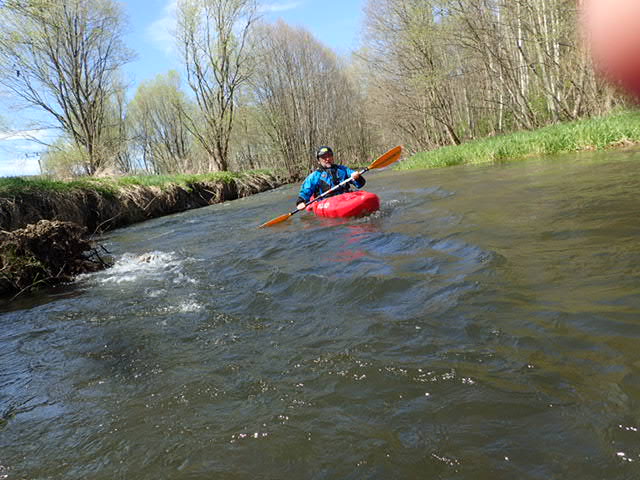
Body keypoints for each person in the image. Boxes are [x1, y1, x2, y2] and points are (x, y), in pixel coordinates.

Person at [296, 146, 365, 210]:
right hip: (327, 201)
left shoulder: (343, 169)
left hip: (346, 196)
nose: (327, 159)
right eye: (324, 157)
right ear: (319, 161)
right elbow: (306, 190)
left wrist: (357, 177)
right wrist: (301, 201)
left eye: (329, 156)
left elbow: (360, 184)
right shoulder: (315, 176)